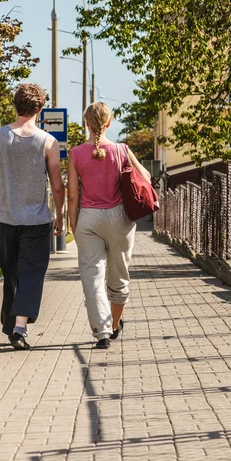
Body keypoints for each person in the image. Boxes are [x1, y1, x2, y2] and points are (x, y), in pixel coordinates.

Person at [0, 83, 65, 350]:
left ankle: (14, 326)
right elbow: (57, 184)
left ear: (15, 105)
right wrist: (60, 215)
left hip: (4, 220)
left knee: (11, 273)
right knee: (30, 273)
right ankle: (18, 328)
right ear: (40, 109)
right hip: (36, 221)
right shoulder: (49, 142)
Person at [68, 102, 151, 349]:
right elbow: (145, 178)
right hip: (119, 219)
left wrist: (75, 225)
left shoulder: (75, 154)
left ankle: (102, 333)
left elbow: (73, 196)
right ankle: (114, 325)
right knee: (119, 276)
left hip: (89, 219)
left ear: (86, 123)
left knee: (92, 278)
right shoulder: (122, 150)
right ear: (109, 123)